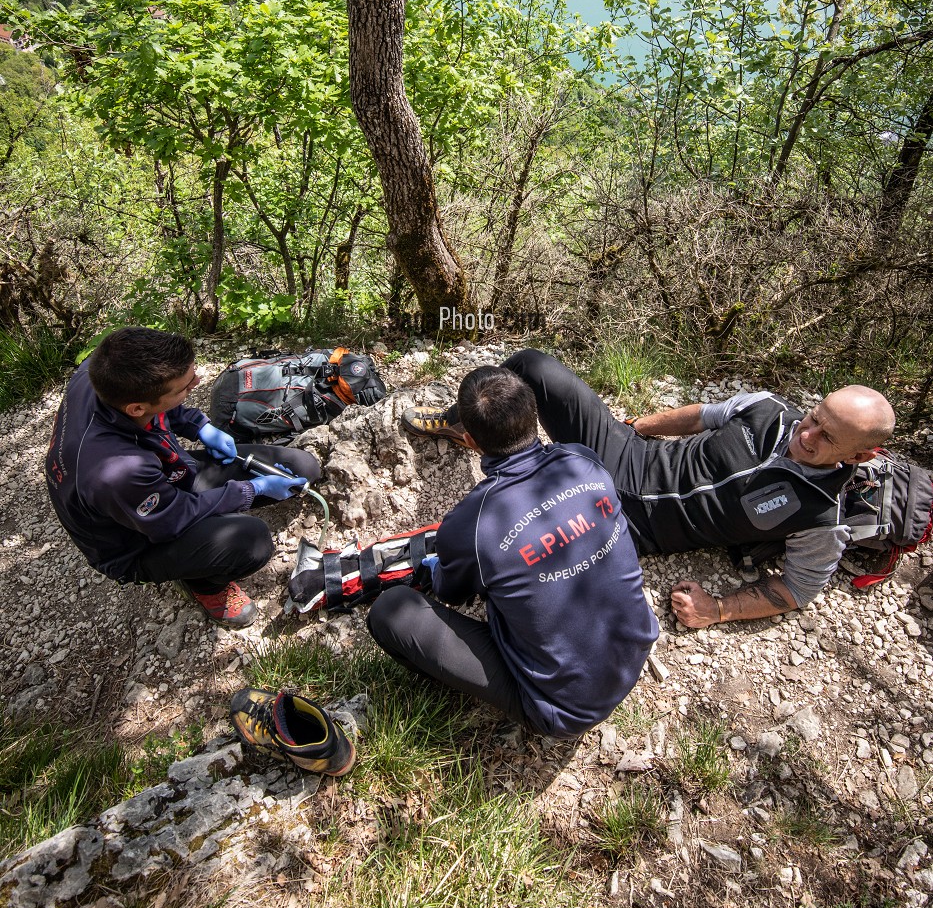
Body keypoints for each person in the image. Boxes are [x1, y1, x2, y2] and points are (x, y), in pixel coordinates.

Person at [402, 350, 896, 629]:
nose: (805, 435)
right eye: (814, 417)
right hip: (627, 453)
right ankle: (464, 422)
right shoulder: (768, 410)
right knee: (533, 367)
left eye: (826, 437)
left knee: (507, 543)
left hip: (622, 522)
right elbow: (705, 415)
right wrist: (637, 425)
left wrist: (718, 608)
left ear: (860, 456)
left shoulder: (821, 516)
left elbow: (797, 588)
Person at [369, 365, 659, 738]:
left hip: (562, 710)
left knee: (390, 611)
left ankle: (449, 691)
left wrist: (444, 563)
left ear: (469, 440)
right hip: (634, 652)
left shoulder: (469, 524)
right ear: (535, 418)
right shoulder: (583, 462)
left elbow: (449, 594)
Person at [46, 327, 321, 628]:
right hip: (137, 540)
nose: (198, 383)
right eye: (186, 387)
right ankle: (204, 585)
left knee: (301, 467)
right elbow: (173, 518)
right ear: (136, 407)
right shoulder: (117, 470)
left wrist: (199, 426)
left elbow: (160, 407)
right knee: (250, 542)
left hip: (162, 477)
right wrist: (251, 489)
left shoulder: (105, 370)